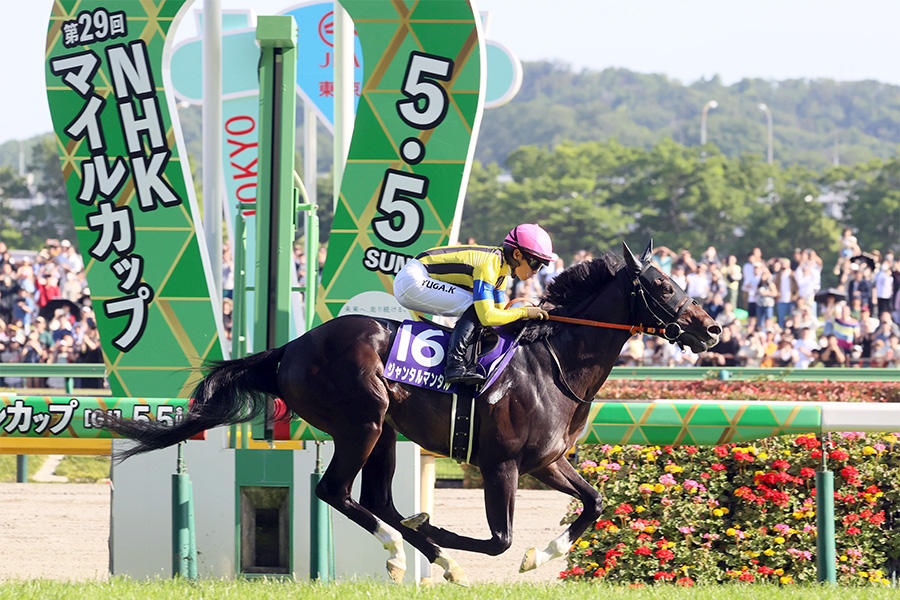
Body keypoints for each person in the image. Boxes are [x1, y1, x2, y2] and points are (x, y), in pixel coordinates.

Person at [392, 224, 553, 385]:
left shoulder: (501, 273)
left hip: (418, 278)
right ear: (517, 254)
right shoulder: (490, 264)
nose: (536, 271)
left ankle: (465, 361)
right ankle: (455, 365)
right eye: (535, 264)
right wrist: (524, 312)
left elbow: (498, 315)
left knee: (480, 309)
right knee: (477, 305)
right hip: (413, 279)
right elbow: (488, 316)